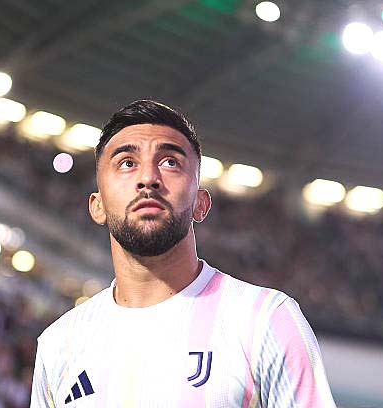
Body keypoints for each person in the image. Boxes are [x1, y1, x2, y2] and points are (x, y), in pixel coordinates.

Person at [31, 100, 336, 407]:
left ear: (201, 203)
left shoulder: (266, 320)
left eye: (170, 162)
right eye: (127, 163)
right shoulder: (59, 344)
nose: (148, 178)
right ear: (97, 206)